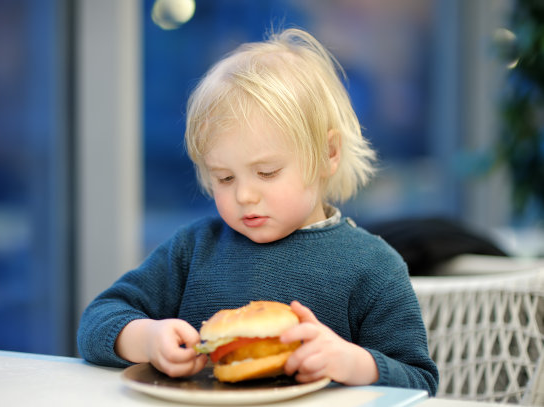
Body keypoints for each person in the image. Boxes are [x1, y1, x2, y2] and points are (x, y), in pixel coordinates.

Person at [77, 28, 439, 395]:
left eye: (267, 173)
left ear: (329, 154)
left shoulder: (372, 266)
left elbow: (421, 381)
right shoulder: (194, 249)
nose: (245, 195)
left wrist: (351, 361)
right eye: (224, 177)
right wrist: (147, 338)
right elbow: (96, 321)